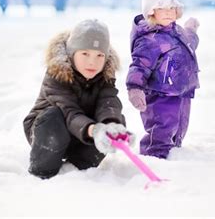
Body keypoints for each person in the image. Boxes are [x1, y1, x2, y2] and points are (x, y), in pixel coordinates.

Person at [23, 19, 134, 179]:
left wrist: (112, 126)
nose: (92, 62)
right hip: (47, 131)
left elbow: (108, 102)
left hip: (82, 133)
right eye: (85, 54)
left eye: (99, 55)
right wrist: (94, 130)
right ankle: (43, 171)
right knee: (53, 116)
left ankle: (79, 166)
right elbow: (69, 112)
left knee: (114, 119)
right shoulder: (57, 73)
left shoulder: (105, 74)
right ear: (71, 52)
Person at [126, 0, 200, 159]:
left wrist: (191, 30)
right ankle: (155, 156)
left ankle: (174, 152)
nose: (168, 12)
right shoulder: (149, 40)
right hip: (160, 94)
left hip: (181, 90)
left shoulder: (177, 31)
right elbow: (139, 65)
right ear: (151, 12)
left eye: (172, 8)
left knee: (179, 124)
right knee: (162, 127)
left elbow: (189, 43)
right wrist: (134, 88)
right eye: (162, 8)